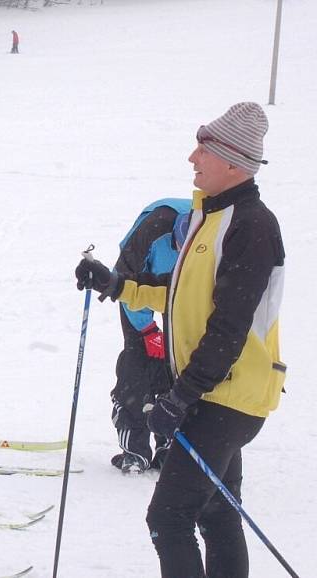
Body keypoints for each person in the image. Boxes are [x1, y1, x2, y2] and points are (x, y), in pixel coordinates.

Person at [75, 102, 285, 578]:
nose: (193, 157)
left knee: (168, 520)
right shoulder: (207, 216)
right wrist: (117, 285)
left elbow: (229, 326)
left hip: (226, 397)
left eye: (203, 149)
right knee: (216, 514)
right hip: (218, 394)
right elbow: (184, 294)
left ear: (232, 162)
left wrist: (181, 396)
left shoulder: (250, 224)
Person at [110, 198, 190, 474]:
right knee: (137, 364)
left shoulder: (211, 240)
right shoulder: (153, 230)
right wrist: (146, 328)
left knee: (178, 364)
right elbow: (123, 281)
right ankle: (135, 449)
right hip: (141, 280)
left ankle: (171, 443)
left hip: (184, 296)